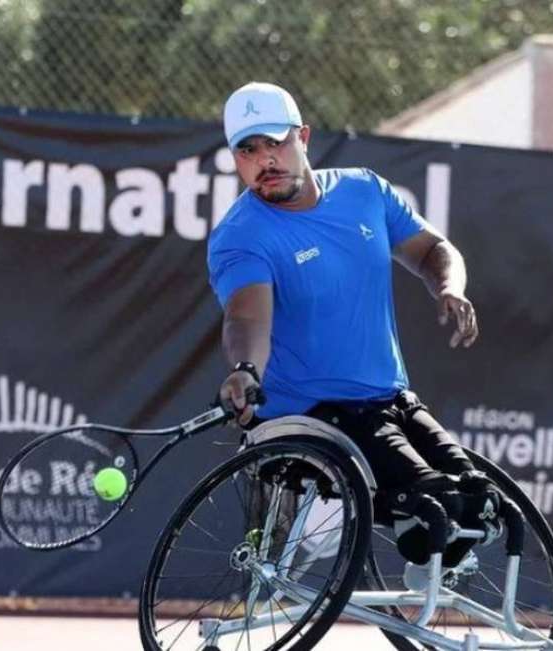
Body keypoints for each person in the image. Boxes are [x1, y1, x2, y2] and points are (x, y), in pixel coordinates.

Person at [207, 81, 500, 568]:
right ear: (236, 159)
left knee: (480, 497)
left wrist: (448, 287)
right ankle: (362, 527)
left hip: (389, 399)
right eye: (248, 150)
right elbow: (246, 315)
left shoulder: (365, 191)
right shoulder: (240, 235)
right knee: (432, 498)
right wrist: (244, 370)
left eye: (275, 142)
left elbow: (433, 250)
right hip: (313, 414)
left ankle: (426, 575)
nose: (265, 160)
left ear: (303, 136)